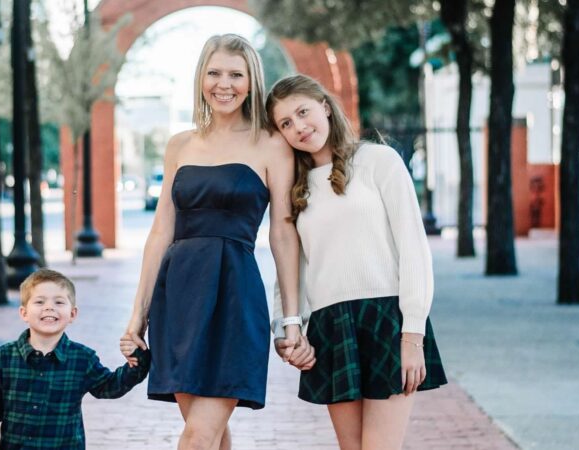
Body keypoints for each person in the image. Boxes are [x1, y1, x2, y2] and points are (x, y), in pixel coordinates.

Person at [118, 34, 301, 450]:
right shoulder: (180, 145)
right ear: (201, 78)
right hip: (179, 299)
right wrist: (138, 315)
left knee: (198, 436)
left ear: (252, 82)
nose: (224, 84)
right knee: (209, 435)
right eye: (214, 73)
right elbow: (161, 231)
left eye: (236, 75)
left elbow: (283, 232)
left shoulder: (272, 143)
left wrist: (291, 318)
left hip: (236, 298)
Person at [266, 74, 448, 450]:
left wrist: (412, 335)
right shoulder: (294, 189)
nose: (298, 126)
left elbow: (414, 249)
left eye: (303, 112)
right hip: (332, 327)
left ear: (325, 107)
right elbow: (291, 267)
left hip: (387, 320)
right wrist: (288, 328)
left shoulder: (378, 161)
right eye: (286, 123)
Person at [0, 269, 150, 450]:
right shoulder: (3, 358)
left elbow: (111, 386)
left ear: (72, 314)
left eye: (59, 302)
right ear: (24, 313)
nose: (49, 307)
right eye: (39, 301)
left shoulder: (82, 358)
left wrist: (137, 359)